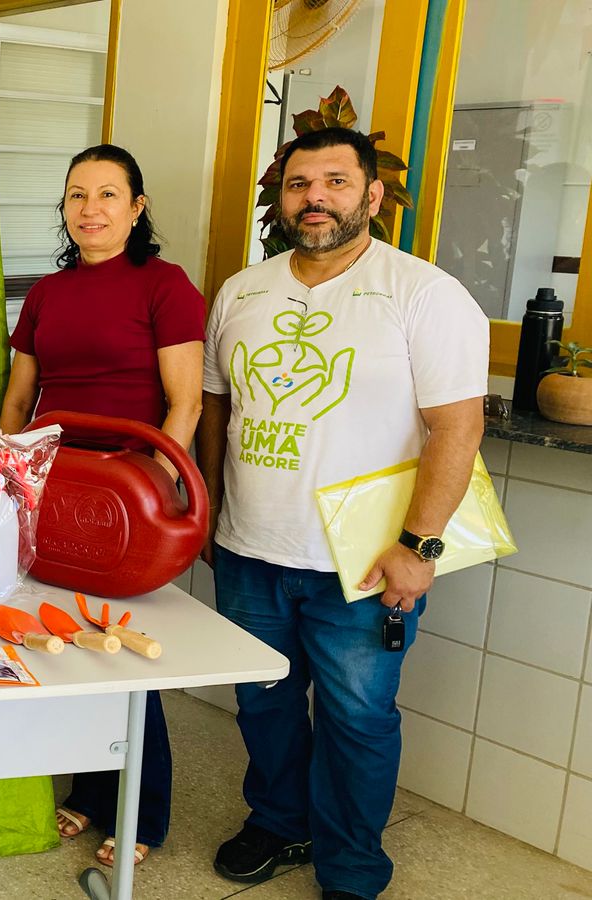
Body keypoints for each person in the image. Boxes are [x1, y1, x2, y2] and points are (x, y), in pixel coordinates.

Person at [197, 127, 487, 900]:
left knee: (358, 719)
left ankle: (353, 868)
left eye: (335, 181)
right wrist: (212, 510)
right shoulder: (241, 291)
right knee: (262, 702)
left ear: (372, 196)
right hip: (250, 549)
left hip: (362, 559)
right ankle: (279, 821)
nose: (315, 198)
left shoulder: (422, 293)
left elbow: (458, 428)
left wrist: (418, 547)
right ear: (281, 197)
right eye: (299, 184)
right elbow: (217, 407)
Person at [0, 143, 206, 867]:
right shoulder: (47, 294)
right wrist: (3, 477)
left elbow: (185, 403)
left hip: (125, 494)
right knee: (63, 636)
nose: (91, 209)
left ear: (136, 207)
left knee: (126, 647)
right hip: (52, 486)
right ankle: (88, 792)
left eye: (108, 194)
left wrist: (156, 486)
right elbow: (20, 399)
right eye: (77, 195)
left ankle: (143, 814)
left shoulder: (166, 286)